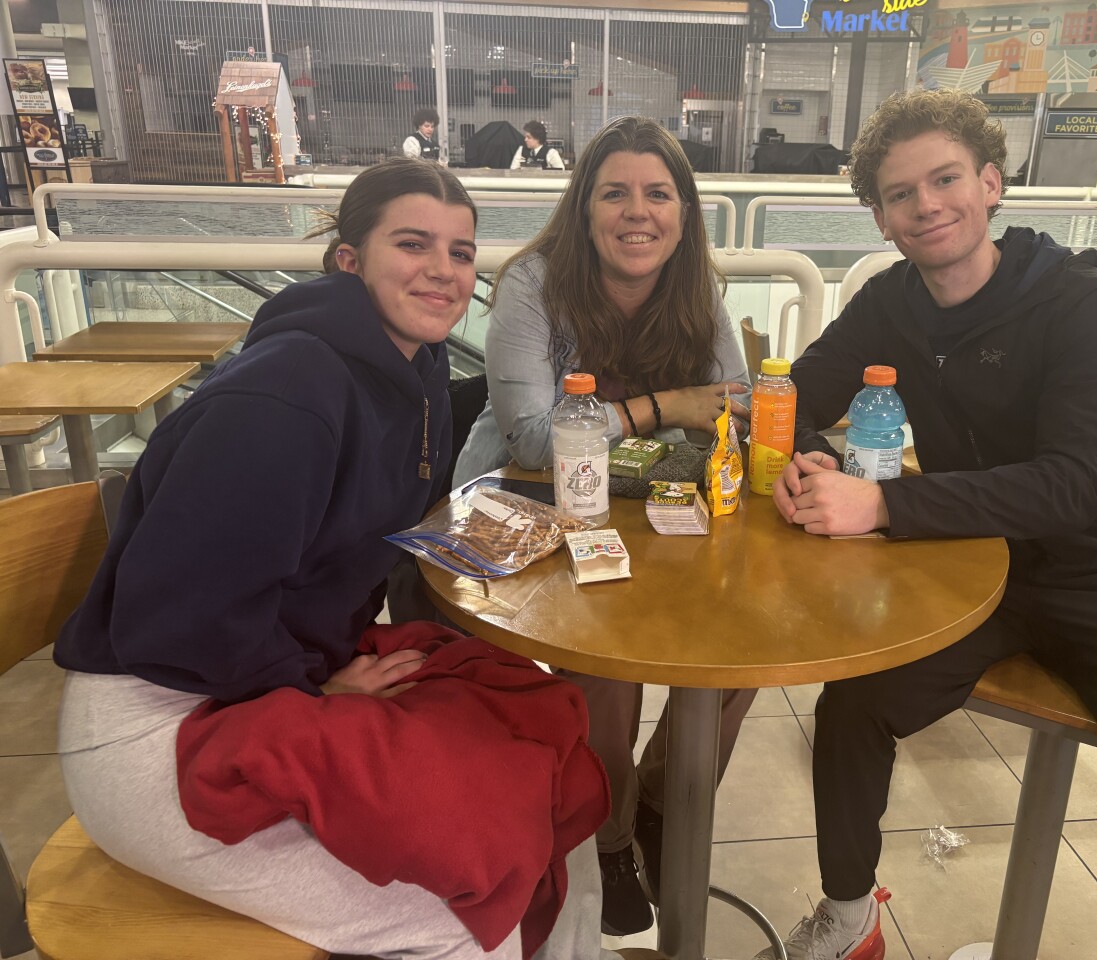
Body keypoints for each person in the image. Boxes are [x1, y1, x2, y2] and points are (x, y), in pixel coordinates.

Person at [52, 156, 610, 960]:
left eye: (460, 252)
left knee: (554, 773)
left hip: (269, 676)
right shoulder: (282, 396)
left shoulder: (409, 371)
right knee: (458, 913)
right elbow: (177, 621)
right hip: (161, 726)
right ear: (349, 260)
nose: (444, 272)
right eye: (413, 245)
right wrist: (307, 688)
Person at [760, 88, 1097, 960]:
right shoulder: (892, 305)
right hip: (973, 567)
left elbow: (1070, 486)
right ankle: (849, 915)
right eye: (902, 194)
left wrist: (881, 505)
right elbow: (795, 391)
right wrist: (808, 459)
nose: (928, 205)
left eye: (945, 178)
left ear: (992, 182)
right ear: (879, 218)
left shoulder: (1081, 303)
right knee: (852, 703)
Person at [455, 115, 754, 937]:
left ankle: (660, 797)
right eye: (614, 192)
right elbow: (530, 439)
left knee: (746, 646)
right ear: (583, 208)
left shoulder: (699, 288)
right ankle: (612, 836)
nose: (638, 211)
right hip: (534, 508)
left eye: (658, 193)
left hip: (656, 512)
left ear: (684, 213)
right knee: (608, 660)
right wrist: (669, 408)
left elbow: (737, 408)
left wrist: (704, 418)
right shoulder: (533, 283)